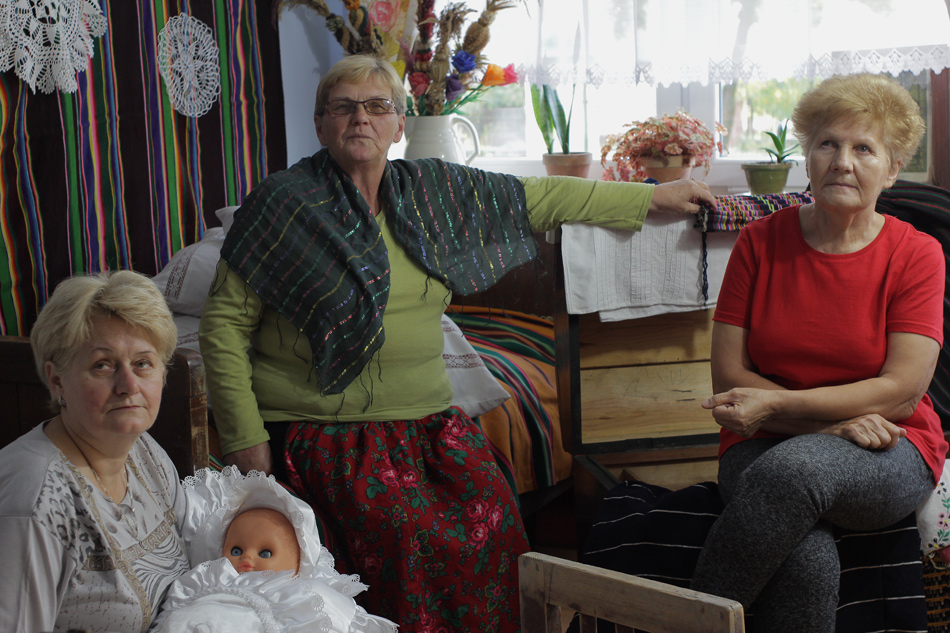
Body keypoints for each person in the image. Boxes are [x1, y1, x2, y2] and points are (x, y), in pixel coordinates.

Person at [198, 53, 715, 631]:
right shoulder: (281, 206)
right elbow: (223, 325)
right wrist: (246, 441)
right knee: (406, 541)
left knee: (495, 520)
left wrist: (650, 199)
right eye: (342, 107)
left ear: (400, 124)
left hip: (427, 424)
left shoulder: (431, 193)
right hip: (327, 435)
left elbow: (538, 197)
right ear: (320, 125)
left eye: (377, 106)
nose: (361, 118)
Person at [690, 73, 947, 632]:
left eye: (864, 149)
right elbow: (730, 376)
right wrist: (828, 425)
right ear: (807, 157)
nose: (842, 162)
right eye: (828, 143)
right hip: (762, 442)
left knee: (795, 470)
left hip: (889, 444)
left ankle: (680, 624)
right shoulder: (758, 241)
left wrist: (784, 408)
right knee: (804, 557)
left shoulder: (918, 254)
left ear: (892, 169)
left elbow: (901, 393)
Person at [0, 270, 190, 632]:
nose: (128, 385)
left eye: (143, 363)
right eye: (103, 365)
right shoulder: (34, 500)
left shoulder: (144, 451)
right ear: (57, 379)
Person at [151, 467, 397, 633]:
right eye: (235, 550)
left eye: (265, 553)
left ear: (298, 564)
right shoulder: (203, 580)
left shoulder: (305, 596)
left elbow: (333, 620)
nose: (247, 557)